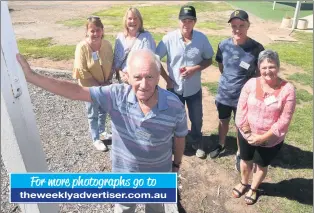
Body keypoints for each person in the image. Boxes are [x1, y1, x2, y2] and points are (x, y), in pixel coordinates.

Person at [17, 48, 188, 213]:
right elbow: (76, 92)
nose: (144, 85)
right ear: (127, 77)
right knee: (124, 208)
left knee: (156, 208)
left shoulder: (175, 105)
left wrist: (176, 165)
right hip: (124, 176)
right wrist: (32, 77)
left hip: (158, 176)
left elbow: (180, 138)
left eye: (150, 77)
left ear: (159, 76)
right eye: (138, 77)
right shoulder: (115, 96)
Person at [232, 50, 296, 205]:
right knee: (245, 160)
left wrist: (262, 137)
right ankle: (243, 182)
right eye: (264, 67)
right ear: (259, 68)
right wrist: (247, 133)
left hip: (270, 140)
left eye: (272, 66)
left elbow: (284, 120)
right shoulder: (251, 84)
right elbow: (241, 109)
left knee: (261, 164)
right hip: (246, 133)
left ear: (278, 67)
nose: (268, 71)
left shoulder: (288, 90)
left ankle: (253, 188)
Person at [209, 10, 265, 172]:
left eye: (241, 25)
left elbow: (259, 74)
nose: (237, 29)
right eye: (234, 26)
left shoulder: (256, 48)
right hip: (224, 95)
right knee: (223, 120)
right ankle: (221, 144)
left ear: (248, 26)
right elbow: (221, 67)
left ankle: (241, 153)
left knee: (242, 126)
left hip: (244, 98)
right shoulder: (223, 45)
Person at [156, 5, 214, 159]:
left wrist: (195, 68)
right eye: (183, 20)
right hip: (174, 89)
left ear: (195, 22)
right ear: (179, 21)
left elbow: (209, 58)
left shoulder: (201, 39)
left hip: (194, 89)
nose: (186, 24)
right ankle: (175, 143)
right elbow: (156, 59)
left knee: (196, 118)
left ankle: (196, 141)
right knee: (174, 117)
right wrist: (167, 79)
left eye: (190, 20)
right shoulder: (168, 39)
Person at [72, 16, 113, 151]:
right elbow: (81, 70)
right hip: (89, 87)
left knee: (103, 110)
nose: (95, 34)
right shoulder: (82, 47)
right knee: (92, 112)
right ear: (87, 32)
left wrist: (108, 80)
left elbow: (111, 62)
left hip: (105, 84)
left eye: (98, 30)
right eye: (92, 31)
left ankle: (102, 132)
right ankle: (95, 139)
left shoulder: (106, 44)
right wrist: (98, 85)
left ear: (102, 30)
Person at [113, 7, 156, 84]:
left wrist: (133, 76)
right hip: (122, 82)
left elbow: (151, 62)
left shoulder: (146, 37)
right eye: (130, 18)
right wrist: (121, 73)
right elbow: (116, 62)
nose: (132, 21)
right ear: (126, 20)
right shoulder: (120, 38)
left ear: (140, 20)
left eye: (135, 18)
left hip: (140, 82)